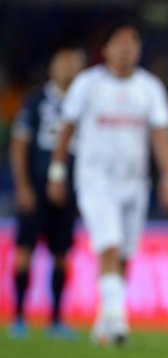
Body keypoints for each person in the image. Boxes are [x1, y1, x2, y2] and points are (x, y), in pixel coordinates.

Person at [48, 21, 168, 346]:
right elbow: (65, 130)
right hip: (95, 180)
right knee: (109, 246)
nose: (126, 48)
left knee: (123, 255)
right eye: (119, 42)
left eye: (132, 42)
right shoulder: (88, 84)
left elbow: (161, 135)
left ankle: (103, 322)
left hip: (134, 182)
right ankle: (118, 322)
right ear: (104, 49)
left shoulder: (149, 87)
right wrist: (57, 174)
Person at [8, 46, 86, 340]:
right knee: (25, 249)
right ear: (53, 68)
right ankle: (18, 317)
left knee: (62, 253)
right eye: (64, 63)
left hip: (70, 189)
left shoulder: (85, 102)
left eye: (74, 64)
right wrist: (23, 185)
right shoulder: (37, 99)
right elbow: (19, 144)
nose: (69, 69)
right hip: (37, 185)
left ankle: (56, 320)